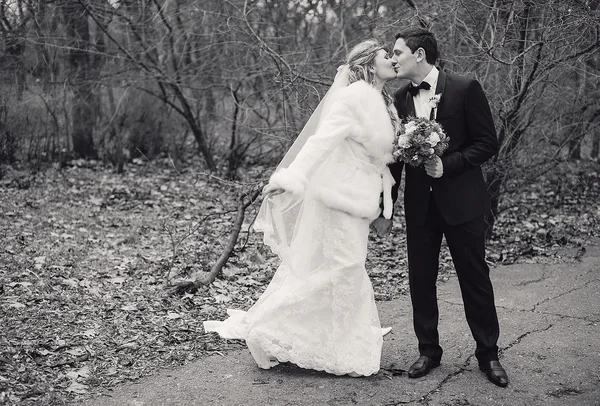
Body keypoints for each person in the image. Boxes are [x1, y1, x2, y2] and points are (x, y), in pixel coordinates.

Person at [204, 39, 399, 377]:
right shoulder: (352, 99)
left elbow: (381, 161)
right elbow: (320, 142)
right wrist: (291, 177)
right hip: (339, 198)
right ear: (368, 64)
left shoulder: (386, 103)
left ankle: (337, 341)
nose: (393, 59)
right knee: (346, 269)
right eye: (386, 55)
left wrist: (387, 205)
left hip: (361, 200)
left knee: (345, 270)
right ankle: (274, 328)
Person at [372, 28, 509, 387]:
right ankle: (428, 350)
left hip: (462, 203)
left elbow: (486, 143)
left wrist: (450, 164)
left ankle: (488, 354)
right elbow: (394, 162)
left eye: (398, 52)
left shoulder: (465, 88)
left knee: (474, 279)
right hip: (421, 207)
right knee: (421, 279)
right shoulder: (399, 99)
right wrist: (386, 209)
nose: (393, 58)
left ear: (419, 55)